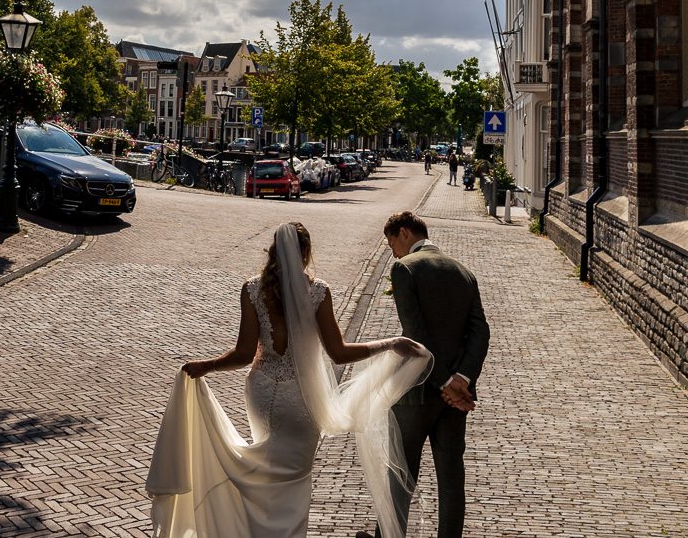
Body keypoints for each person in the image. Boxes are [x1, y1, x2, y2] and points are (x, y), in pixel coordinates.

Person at [148, 222, 432, 538]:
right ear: (306, 253)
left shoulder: (253, 290)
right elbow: (338, 353)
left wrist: (207, 366)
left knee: (264, 474)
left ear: (274, 252)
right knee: (293, 481)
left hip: (261, 390)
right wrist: (389, 343)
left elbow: (243, 354)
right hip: (301, 398)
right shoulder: (318, 292)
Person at [358, 211, 490, 538]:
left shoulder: (405, 270)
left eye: (392, 244)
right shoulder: (465, 273)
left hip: (416, 392)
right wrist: (462, 380)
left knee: (401, 476)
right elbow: (480, 334)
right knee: (451, 480)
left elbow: (416, 334)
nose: (393, 253)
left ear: (404, 233)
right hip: (454, 400)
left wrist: (444, 381)